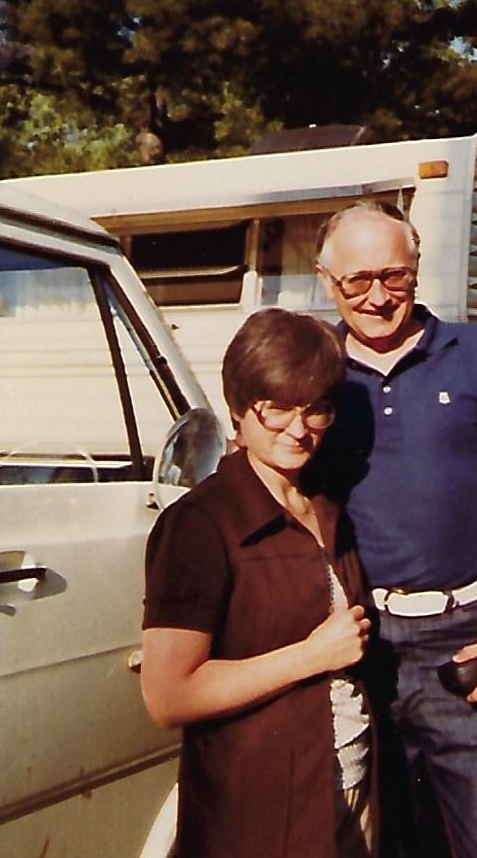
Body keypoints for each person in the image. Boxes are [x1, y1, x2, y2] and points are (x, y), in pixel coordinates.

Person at [311, 201, 477, 858]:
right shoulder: (314, 374)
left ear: (417, 269)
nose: (378, 297)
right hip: (361, 652)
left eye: (395, 276)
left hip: (470, 646)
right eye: (358, 280)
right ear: (326, 281)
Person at [141, 308, 376, 858]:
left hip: (350, 782)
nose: (298, 428)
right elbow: (168, 695)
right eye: (276, 408)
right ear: (239, 410)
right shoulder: (201, 524)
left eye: (315, 409)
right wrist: (310, 656)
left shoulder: (324, 508)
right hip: (262, 811)